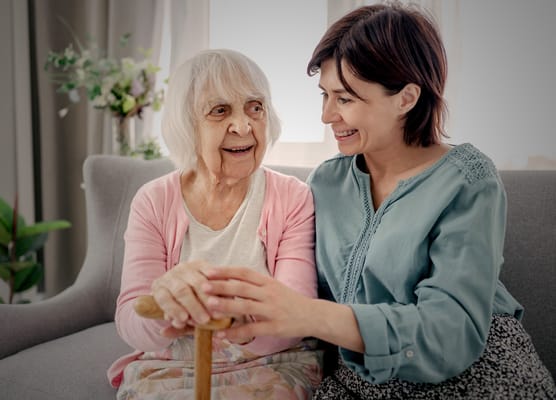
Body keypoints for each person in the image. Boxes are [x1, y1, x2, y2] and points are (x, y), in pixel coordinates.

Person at [200, 3, 556, 399]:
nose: (327, 115)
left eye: (346, 99)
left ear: (406, 98)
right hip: (360, 381)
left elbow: (451, 332)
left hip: (477, 372)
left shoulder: (468, 180)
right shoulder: (327, 182)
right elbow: (295, 287)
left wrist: (310, 314)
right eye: (324, 95)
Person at [107, 49, 323, 399]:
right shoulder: (153, 200)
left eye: (255, 107)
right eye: (220, 111)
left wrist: (239, 323)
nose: (243, 125)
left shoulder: (293, 197)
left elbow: (298, 311)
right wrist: (167, 305)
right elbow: (131, 321)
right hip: (173, 364)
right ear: (186, 124)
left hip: (271, 360)